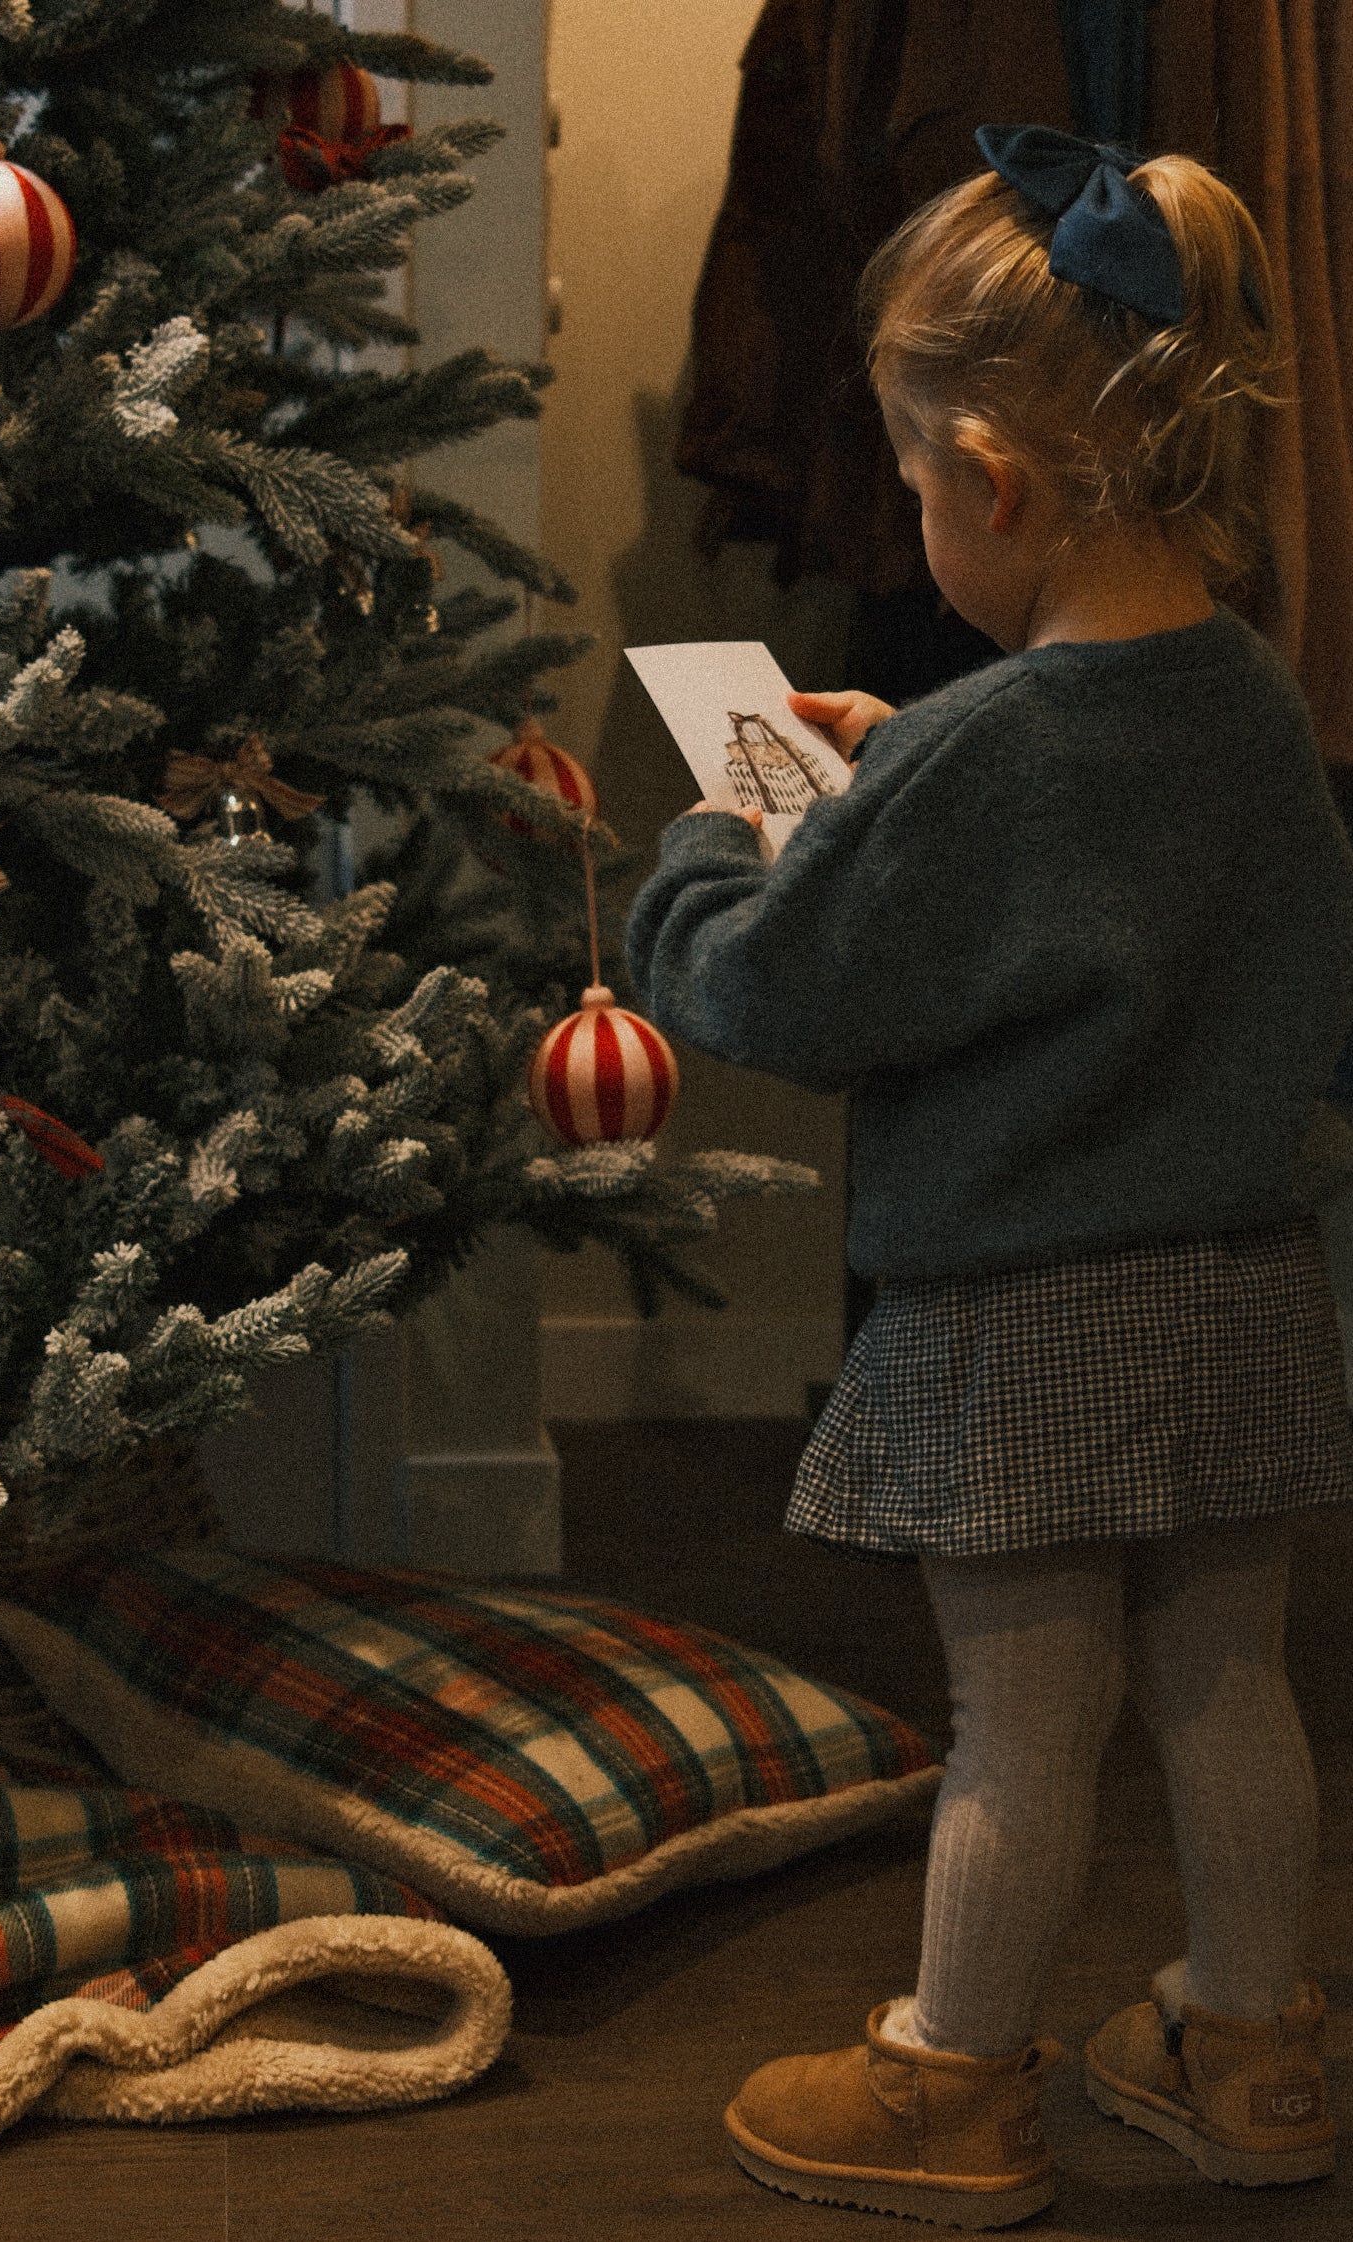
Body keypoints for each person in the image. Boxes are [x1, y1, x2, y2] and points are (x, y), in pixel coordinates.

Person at [625, 125, 1353, 2230]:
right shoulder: (1256, 711)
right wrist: (903, 780)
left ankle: (949, 2085)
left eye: (918, 491)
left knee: (1021, 1723)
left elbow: (773, 986)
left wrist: (723, 838)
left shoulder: (976, 756)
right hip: (1243, 1288)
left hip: (1021, 1315)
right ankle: (1257, 2050)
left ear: (997, 484)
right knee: (1231, 1685)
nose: (921, 524)